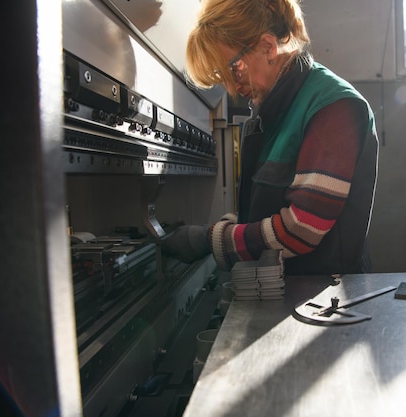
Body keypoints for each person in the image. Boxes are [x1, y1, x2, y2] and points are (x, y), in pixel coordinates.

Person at [162, 0, 379, 275]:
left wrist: (209, 239)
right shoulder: (267, 116)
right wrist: (227, 227)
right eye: (223, 77)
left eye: (234, 69)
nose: (233, 87)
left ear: (267, 47)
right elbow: (259, 210)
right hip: (287, 292)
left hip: (327, 300)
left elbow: (301, 229)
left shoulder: (333, 107)